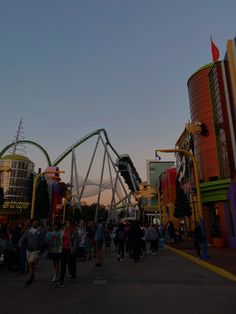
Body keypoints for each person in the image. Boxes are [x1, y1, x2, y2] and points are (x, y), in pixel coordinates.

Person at [19, 219, 46, 287]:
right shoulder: (28, 231)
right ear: (32, 223)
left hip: (36, 249)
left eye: (36, 222)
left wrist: (39, 245)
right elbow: (23, 238)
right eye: (34, 222)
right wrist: (20, 243)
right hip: (28, 249)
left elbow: (43, 239)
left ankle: (30, 278)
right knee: (30, 263)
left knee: (31, 262)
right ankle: (32, 275)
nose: (35, 223)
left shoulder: (41, 230)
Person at [55, 221, 79, 288]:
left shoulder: (74, 232)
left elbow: (76, 241)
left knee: (72, 264)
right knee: (63, 265)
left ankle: (73, 276)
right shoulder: (64, 231)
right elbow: (60, 239)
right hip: (64, 249)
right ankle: (61, 281)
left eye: (69, 224)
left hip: (70, 250)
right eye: (67, 224)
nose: (68, 225)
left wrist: (73, 250)